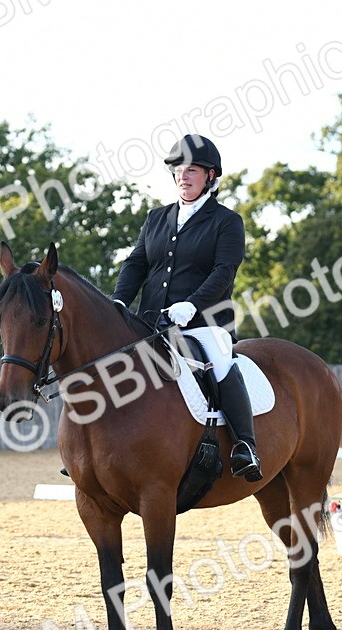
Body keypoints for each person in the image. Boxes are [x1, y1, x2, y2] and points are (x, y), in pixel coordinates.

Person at [111, 134, 262, 482]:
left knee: (221, 361)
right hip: (151, 322)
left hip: (205, 322)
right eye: (179, 170)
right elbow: (136, 263)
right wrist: (119, 299)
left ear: (210, 176)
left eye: (192, 170)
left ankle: (245, 445)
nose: (183, 176)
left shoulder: (226, 221)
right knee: (110, 360)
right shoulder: (156, 218)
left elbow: (224, 272)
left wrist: (191, 306)